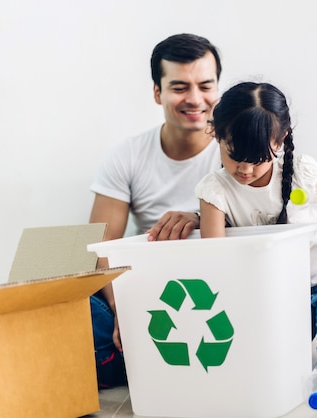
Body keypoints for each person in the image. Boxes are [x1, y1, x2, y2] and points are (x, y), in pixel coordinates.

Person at [195, 81, 317, 365]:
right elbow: (217, 257)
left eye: (258, 159)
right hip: (282, 288)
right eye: (235, 155)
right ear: (216, 135)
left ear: (281, 139)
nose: (245, 169)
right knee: (279, 365)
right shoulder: (214, 191)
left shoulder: (300, 171)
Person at [88, 33, 223, 387]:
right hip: (143, 289)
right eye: (180, 87)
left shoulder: (237, 153)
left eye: (205, 86)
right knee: (70, 307)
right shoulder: (128, 155)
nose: (195, 99)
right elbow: (99, 249)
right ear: (157, 92)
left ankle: (135, 363)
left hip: (219, 287)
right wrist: (124, 310)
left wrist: (199, 219)